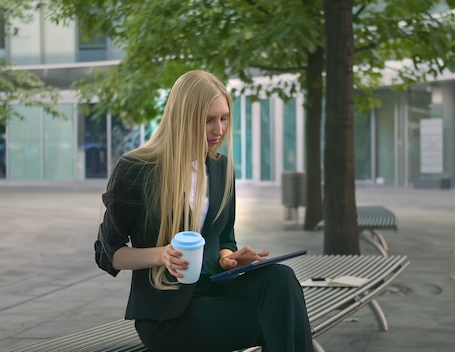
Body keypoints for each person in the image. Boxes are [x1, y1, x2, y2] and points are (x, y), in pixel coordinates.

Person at [95, 70, 314, 352]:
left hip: (214, 287)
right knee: (282, 321)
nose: (219, 130)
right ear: (183, 119)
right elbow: (108, 253)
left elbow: (224, 238)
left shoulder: (221, 168)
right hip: (166, 314)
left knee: (280, 278)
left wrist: (229, 258)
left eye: (224, 118)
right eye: (208, 120)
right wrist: (162, 254)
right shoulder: (137, 169)